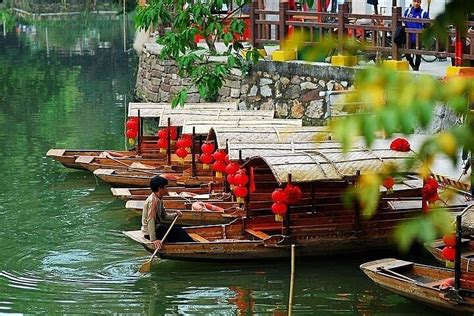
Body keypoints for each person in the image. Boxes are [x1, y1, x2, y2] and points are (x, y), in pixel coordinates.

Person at [141, 176, 194, 249]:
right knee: (180, 232)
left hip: (157, 229)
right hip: (150, 233)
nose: (167, 189)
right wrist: (154, 239)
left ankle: (191, 245)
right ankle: (194, 246)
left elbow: (164, 217)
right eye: (166, 187)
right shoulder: (153, 201)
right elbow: (151, 220)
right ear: (160, 188)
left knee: (178, 231)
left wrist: (175, 215)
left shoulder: (158, 199)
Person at [403, 0, 429, 71]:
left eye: (418, 2)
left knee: (418, 54)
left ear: (420, 3)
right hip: (409, 37)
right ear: (412, 2)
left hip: (418, 37)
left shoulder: (424, 13)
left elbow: (427, 25)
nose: (416, 3)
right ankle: (412, 65)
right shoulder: (408, 11)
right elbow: (404, 21)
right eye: (415, 1)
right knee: (407, 54)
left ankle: (416, 67)